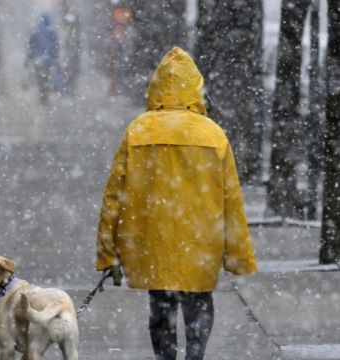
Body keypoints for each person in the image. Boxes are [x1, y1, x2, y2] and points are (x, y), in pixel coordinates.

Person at [95, 47, 257, 360]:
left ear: (155, 88)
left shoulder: (138, 130)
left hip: (151, 238)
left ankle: (165, 357)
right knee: (198, 303)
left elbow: (113, 196)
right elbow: (231, 199)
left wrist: (108, 253)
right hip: (200, 239)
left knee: (161, 306)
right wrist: (238, 255)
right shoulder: (213, 134)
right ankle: (195, 355)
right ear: (196, 88)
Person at [25, 13, 60, 104]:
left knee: (39, 77)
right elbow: (56, 46)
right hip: (48, 60)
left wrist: (29, 59)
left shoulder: (36, 31)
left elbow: (31, 46)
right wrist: (55, 57)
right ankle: (45, 94)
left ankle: (42, 94)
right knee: (47, 77)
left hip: (38, 60)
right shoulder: (52, 31)